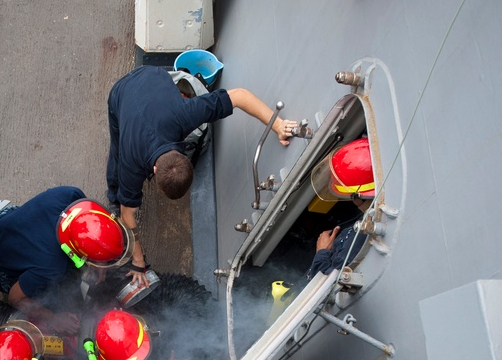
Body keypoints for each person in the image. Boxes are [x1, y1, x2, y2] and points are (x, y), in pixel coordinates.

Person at [106, 65, 300, 286]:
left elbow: (239, 97)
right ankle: (112, 195)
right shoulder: (131, 161)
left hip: (152, 75)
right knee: (116, 160)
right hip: (121, 94)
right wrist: (138, 262)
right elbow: (127, 214)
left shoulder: (184, 114)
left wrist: (278, 125)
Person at [0, 187, 132, 335]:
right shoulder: (51, 266)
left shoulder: (71, 195)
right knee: (46, 291)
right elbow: (15, 298)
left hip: (10, 219)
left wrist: (101, 259)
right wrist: (53, 318)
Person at [307, 137, 374, 279]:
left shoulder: (359, 238)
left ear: (357, 197)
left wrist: (322, 252)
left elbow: (327, 284)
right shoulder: (370, 215)